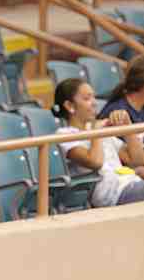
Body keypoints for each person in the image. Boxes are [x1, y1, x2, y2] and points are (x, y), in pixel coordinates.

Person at [54, 78, 144, 209]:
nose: (94, 103)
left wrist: (127, 126)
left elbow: (137, 160)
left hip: (132, 183)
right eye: (87, 98)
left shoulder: (99, 129)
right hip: (111, 195)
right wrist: (96, 132)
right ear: (69, 106)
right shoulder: (64, 134)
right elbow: (95, 162)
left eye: (94, 97)